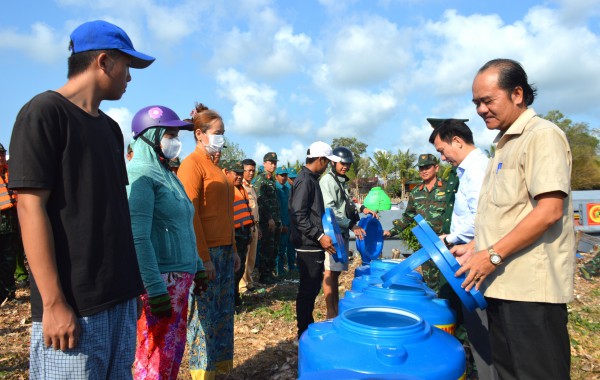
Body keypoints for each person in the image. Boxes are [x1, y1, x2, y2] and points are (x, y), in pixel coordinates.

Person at [8, 20, 154, 379]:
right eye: (127, 66)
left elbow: (112, 214)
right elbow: (29, 208)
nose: (129, 79)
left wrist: (131, 292)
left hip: (118, 300)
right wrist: (54, 303)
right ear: (103, 61)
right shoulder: (43, 113)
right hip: (74, 306)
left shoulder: (109, 128)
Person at [456, 58, 575, 379]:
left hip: (531, 294)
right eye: (476, 103)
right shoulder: (505, 145)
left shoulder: (542, 136)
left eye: (487, 100)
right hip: (501, 287)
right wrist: (477, 247)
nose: (481, 110)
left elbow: (549, 210)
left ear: (517, 94)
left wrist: (492, 255)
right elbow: (508, 214)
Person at [126, 105, 207, 379]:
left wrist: (197, 265)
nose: (175, 141)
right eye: (170, 134)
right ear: (151, 135)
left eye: (176, 135)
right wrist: (154, 287)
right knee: (152, 356)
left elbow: (184, 223)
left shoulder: (168, 174)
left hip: (179, 280)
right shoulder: (140, 174)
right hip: (160, 282)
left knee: (171, 352)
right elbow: (138, 236)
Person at [178, 102, 241, 379]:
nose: (221, 137)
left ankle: (219, 369)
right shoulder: (191, 165)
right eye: (217, 132)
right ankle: (202, 373)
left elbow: (226, 213)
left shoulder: (216, 167)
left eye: (223, 132)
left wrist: (235, 248)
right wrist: (203, 257)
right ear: (199, 134)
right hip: (207, 253)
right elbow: (191, 215)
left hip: (226, 251)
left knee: (223, 315)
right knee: (203, 319)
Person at [430, 119, 497, 380]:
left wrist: (453, 237)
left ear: (457, 141)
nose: (443, 157)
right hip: (470, 249)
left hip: (478, 255)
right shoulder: (466, 170)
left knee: (480, 330)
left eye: (442, 150)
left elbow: (481, 216)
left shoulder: (478, 169)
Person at [289, 141, 341, 338]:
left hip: (312, 242)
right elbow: (298, 214)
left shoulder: (310, 179)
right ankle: (303, 332)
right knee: (308, 289)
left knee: (311, 288)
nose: (327, 166)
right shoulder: (305, 181)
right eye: (327, 162)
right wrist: (319, 235)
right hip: (308, 244)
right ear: (320, 159)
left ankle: (305, 327)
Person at [319, 146, 375, 318]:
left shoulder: (340, 180)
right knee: (330, 271)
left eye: (348, 164)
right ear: (333, 162)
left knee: (336, 273)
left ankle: (335, 310)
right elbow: (331, 210)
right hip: (333, 231)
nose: (345, 166)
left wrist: (363, 208)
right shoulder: (327, 180)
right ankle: (331, 313)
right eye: (342, 163)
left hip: (341, 231)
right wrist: (351, 225)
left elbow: (348, 202)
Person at [383, 153, 448, 292]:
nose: (423, 171)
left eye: (427, 167)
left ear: (436, 168)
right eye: (421, 168)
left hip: (445, 242)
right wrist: (391, 231)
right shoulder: (415, 193)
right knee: (430, 283)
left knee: (447, 283)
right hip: (425, 244)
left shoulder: (447, 189)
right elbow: (408, 217)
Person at [223, 160, 254, 307]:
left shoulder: (241, 189)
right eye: (237, 173)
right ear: (227, 172)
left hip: (244, 233)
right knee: (233, 268)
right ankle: (231, 298)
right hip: (233, 234)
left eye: (241, 174)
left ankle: (234, 295)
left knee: (240, 267)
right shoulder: (225, 189)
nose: (240, 177)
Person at [254, 152, 282, 284]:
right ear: (264, 163)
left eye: (275, 162)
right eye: (271, 162)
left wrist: (278, 220)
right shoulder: (261, 179)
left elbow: (273, 202)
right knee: (266, 248)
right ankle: (264, 275)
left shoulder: (272, 180)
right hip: (266, 221)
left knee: (273, 248)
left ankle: (270, 273)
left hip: (275, 220)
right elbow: (260, 201)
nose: (273, 165)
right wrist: (269, 218)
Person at [0, 142, 20, 302]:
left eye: (2, 153)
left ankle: (9, 291)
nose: (1, 157)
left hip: (12, 222)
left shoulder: (10, 172)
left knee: (10, 259)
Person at [240, 158, 261, 293]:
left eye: (253, 171)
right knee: (245, 257)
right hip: (245, 227)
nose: (251, 173)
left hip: (254, 226)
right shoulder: (240, 187)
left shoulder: (251, 187)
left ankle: (249, 281)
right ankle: (241, 286)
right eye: (248, 171)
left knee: (252, 256)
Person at [274, 165, 292, 276]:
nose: (284, 177)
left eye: (285, 175)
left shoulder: (286, 189)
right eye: (282, 175)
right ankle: (278, 270)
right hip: (280, 224)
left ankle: (281, 269)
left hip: (287, 222)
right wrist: (281, 223)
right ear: (276, 176)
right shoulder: (275, 188)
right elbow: (277, 209)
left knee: (283, 247)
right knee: (279, 249)